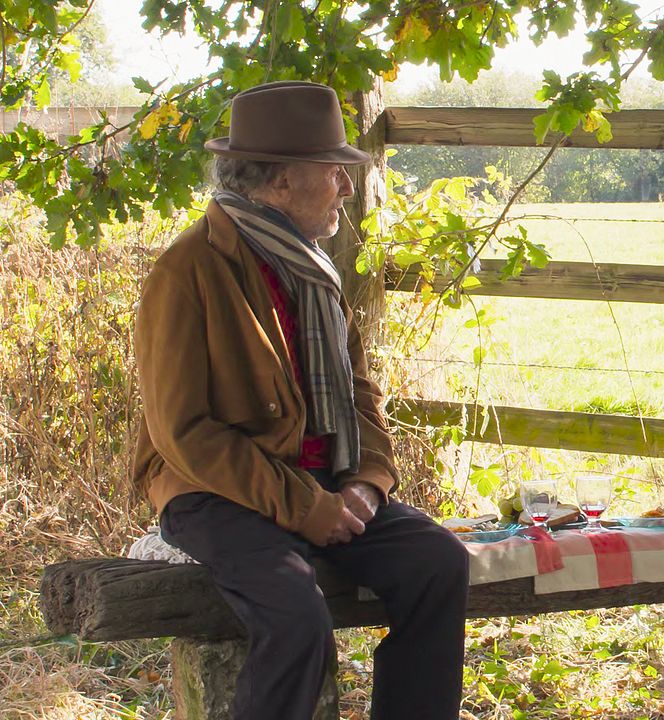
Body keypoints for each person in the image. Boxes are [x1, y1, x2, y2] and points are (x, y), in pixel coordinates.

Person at [131, 81, 469, 720]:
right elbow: (182, 432)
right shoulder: (189, 268)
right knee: (295, 616)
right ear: (278, 181)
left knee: (437, 564)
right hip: (214, 490)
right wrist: (306, 508)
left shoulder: (314, 268)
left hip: (323, 482)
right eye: (333, 170)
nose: (348, 185)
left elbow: (361, 395)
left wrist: (368, 484)